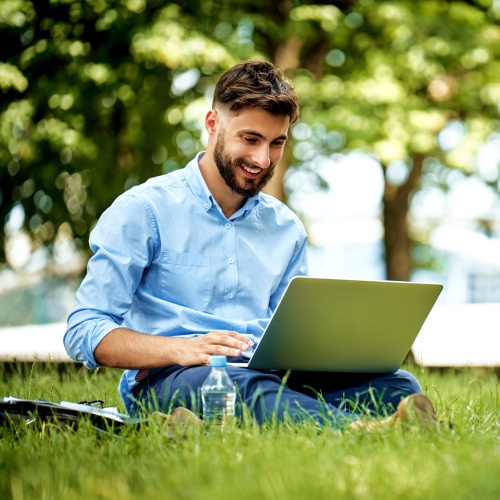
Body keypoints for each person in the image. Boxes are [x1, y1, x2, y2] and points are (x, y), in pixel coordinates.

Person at [64, 60, 437, 429]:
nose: (263, 159)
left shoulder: (286, 229)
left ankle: (321, 418)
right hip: (174, 378)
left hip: (268, 375)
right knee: (231, 385)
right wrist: (183, 349)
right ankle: (359, 431)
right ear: (212, 125)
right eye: (250, 139)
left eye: (277, 143)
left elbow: (293, 337)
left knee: (398, 385)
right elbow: (84, 329)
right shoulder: (144, 210)